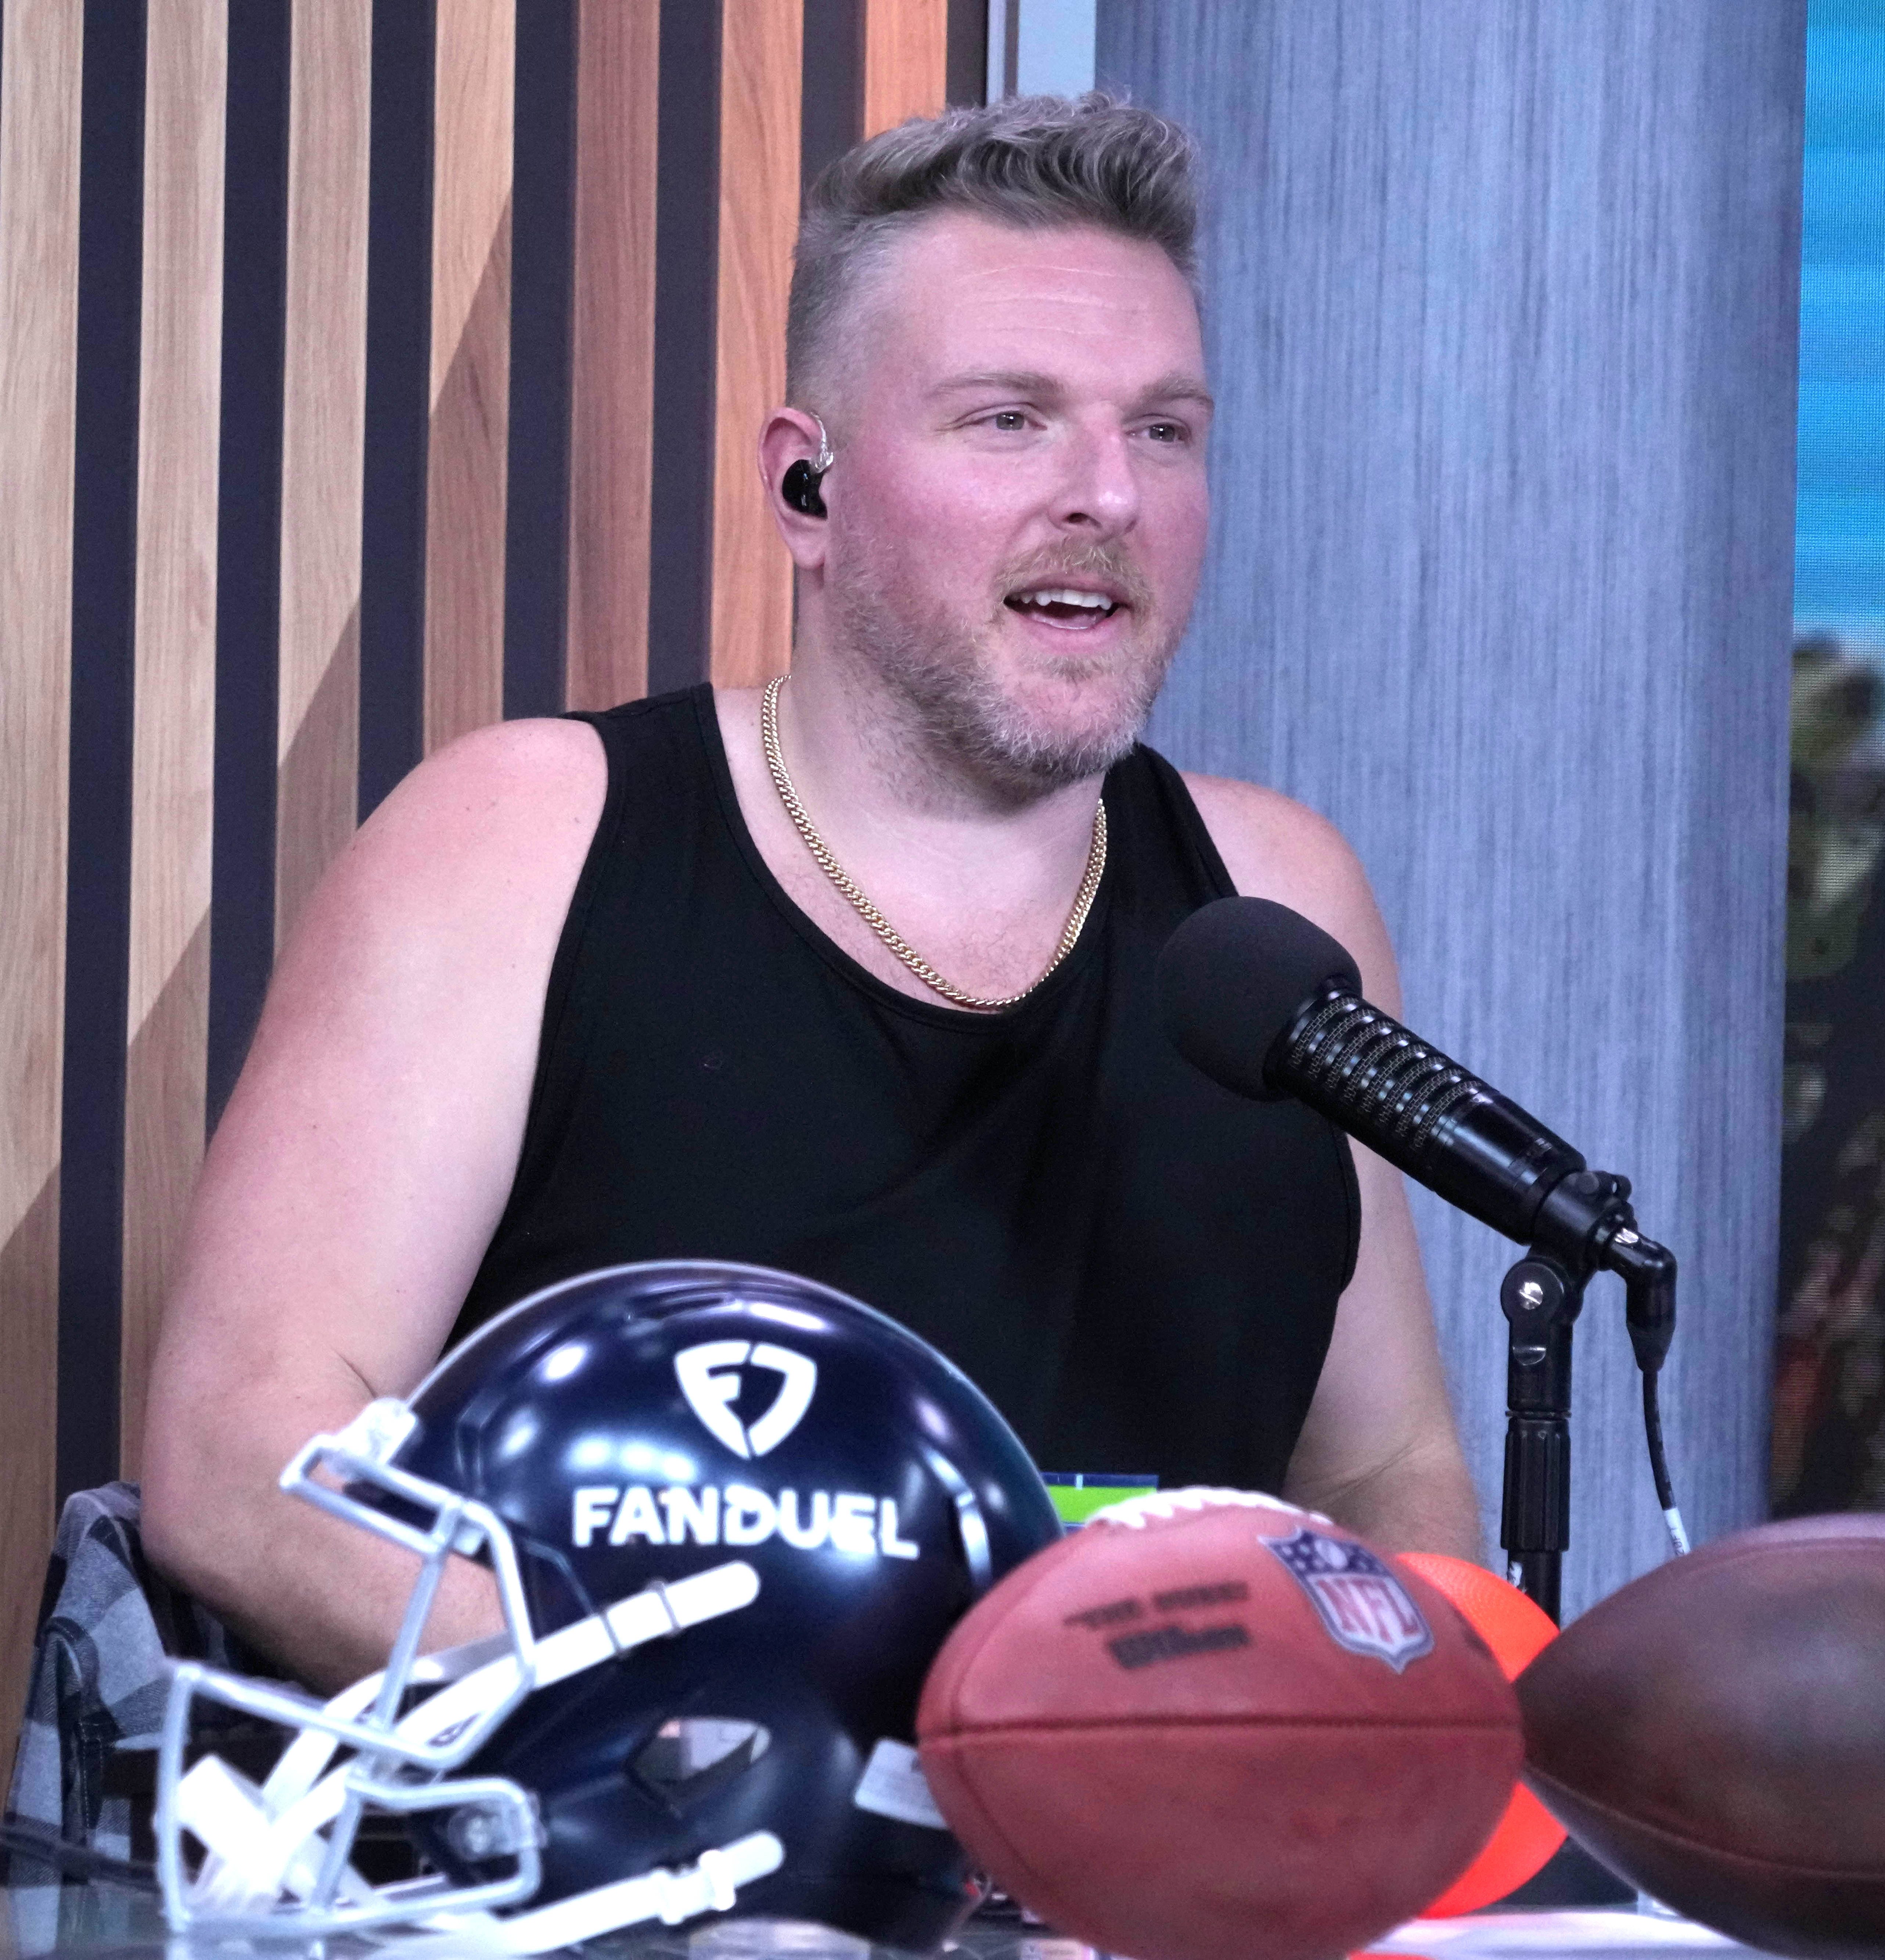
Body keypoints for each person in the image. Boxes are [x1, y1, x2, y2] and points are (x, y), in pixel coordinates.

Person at [142, 95, 1480, 1691]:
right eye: (1010, 419)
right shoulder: (524, 843)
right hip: (608, 1896)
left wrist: (1321, 1788)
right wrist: (703, 1734)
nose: (1107, 496)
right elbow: (240, 1466)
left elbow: (1384, 1472)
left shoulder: (1273, 901)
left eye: (1163, 430)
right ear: (806, 489)